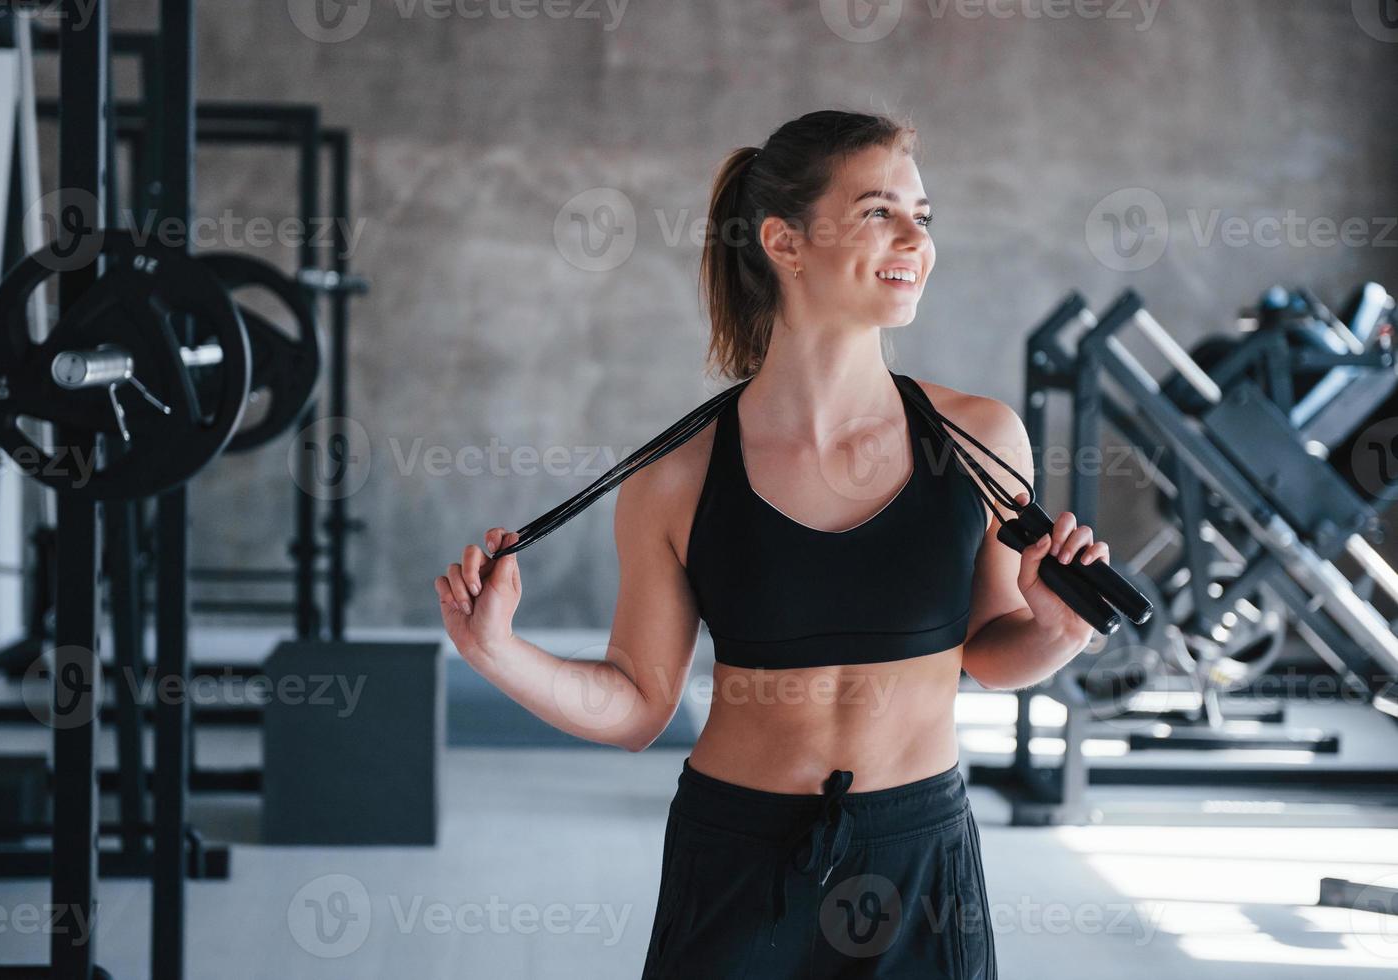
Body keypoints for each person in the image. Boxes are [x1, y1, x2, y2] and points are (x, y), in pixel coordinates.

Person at [434, 108, 1108, 978]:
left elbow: (988, 653)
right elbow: (639, 702)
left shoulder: (979, 441)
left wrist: (1056, 628)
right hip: (739, 856)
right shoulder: (674, 479)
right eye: (878, 211)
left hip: (919, 856)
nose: (915, 238)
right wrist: (494, 652)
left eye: (922, 216)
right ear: (785, 242)